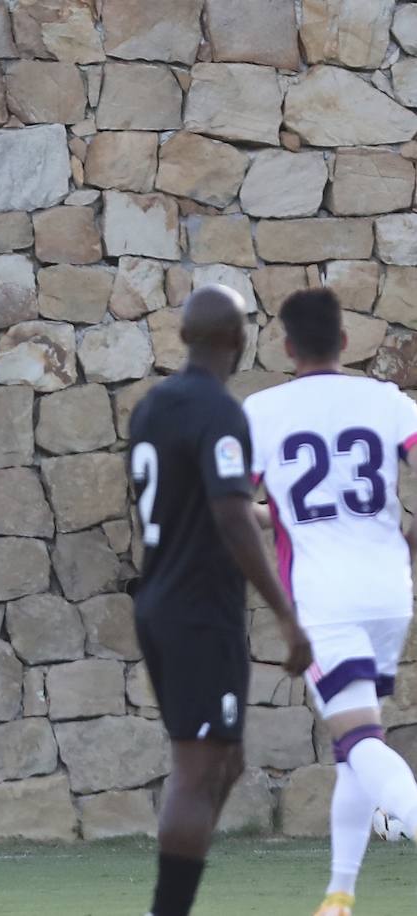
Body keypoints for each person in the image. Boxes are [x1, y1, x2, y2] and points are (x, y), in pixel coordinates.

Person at [128, 284, 312, 916]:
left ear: (184, 337)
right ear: (237, 340)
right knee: (198, 768)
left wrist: (260, 514)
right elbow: (227, 517)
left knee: (226, 762)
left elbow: (198, 507)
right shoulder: (222, 412)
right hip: (198, 611)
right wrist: (288, 617)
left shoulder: (152, 408)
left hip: (159, 601)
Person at [243, 288, 417, 916]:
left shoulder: (262, 411)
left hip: (325, 599)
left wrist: (266, 517)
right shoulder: (386, 400)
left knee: (360, 738)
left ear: (286, 347)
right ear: (346, 341)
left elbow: (228, 504)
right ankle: (338, 896)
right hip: (388, 594)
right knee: (355, 742)